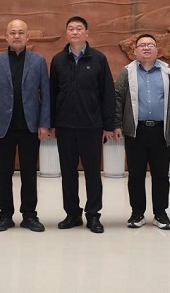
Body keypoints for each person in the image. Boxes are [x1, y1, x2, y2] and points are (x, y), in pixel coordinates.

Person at [114, 33, 170, 230]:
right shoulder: (127, 72)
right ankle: (137, 214)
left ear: (157, 50)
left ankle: (160, 214)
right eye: (142, 45)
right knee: (136, 175)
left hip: (161, 131)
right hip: (135, 132)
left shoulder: (169, 72)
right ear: (135, 51)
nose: (146, 48)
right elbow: (118, 99)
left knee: (161, 175)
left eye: (150, 45)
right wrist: (116, 124)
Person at [49, 16, 115, 234]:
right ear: (66, 33)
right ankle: (72, 214)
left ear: (87, 33)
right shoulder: (58, 60)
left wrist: (108, 125)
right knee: (68, 172)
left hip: (91, 126)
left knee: (92, 173)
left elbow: (107, 93)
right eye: (71, 28)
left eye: (79, 29)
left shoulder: (98, 59)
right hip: (65, 126)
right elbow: (52, 93)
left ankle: (93, 214)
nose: (75, 32)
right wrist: (51, 123)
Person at [0, 19, 51, 233]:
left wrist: (44, 123)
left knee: (29, 172)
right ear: (6, 36)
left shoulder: (38, 61)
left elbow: (46, 94)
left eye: (21, 32)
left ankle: (29, 215)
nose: (16, 36)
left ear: (27, 37)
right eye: (12, 32)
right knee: (4, 172)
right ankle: (5, 215)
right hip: (3, 127)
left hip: (30, 127)